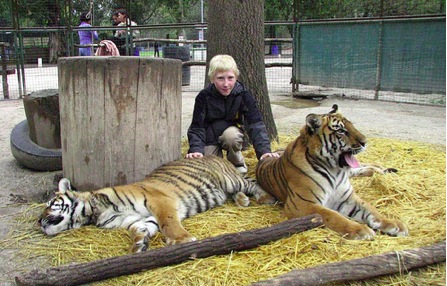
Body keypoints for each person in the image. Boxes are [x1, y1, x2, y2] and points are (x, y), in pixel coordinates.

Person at [186, 54, 279, 174]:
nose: (226, 84)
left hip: (231, 134)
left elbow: (255, 124)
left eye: (230, 78)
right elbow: (197, 127)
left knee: (231, 137)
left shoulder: (243, 95)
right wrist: (196, 149)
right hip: (209, 138)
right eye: (220, 78)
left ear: (236, 77)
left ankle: (237, 166)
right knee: (210, 171)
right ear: (212, 78)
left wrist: (264, 151)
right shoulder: (203, 97)